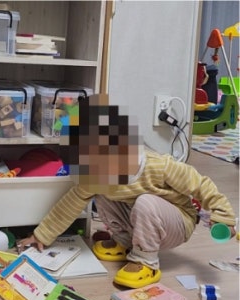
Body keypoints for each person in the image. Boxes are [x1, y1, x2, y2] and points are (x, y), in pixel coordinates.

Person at [18, 93, 237, 289]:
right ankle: (124, 242)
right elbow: (69, 204)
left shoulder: (159, 166)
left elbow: (202, 185)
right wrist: (41, 235)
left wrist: (224, 215)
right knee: (101, 193)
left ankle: (146, 261)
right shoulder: (97, 176)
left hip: (177, 223)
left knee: (145, 202)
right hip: (140, 221)